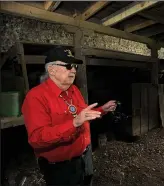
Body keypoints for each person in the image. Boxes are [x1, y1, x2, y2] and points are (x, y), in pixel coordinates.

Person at [21, 46, 117, 185]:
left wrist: (103, 109)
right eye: (67, 65)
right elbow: (36, 138)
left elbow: (84, 115)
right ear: (51, 70)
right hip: (60, 168)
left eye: (74, 66)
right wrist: (74, 123)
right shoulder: (35, 97)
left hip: (84, 157)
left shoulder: (73, 90)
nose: (73, 69)